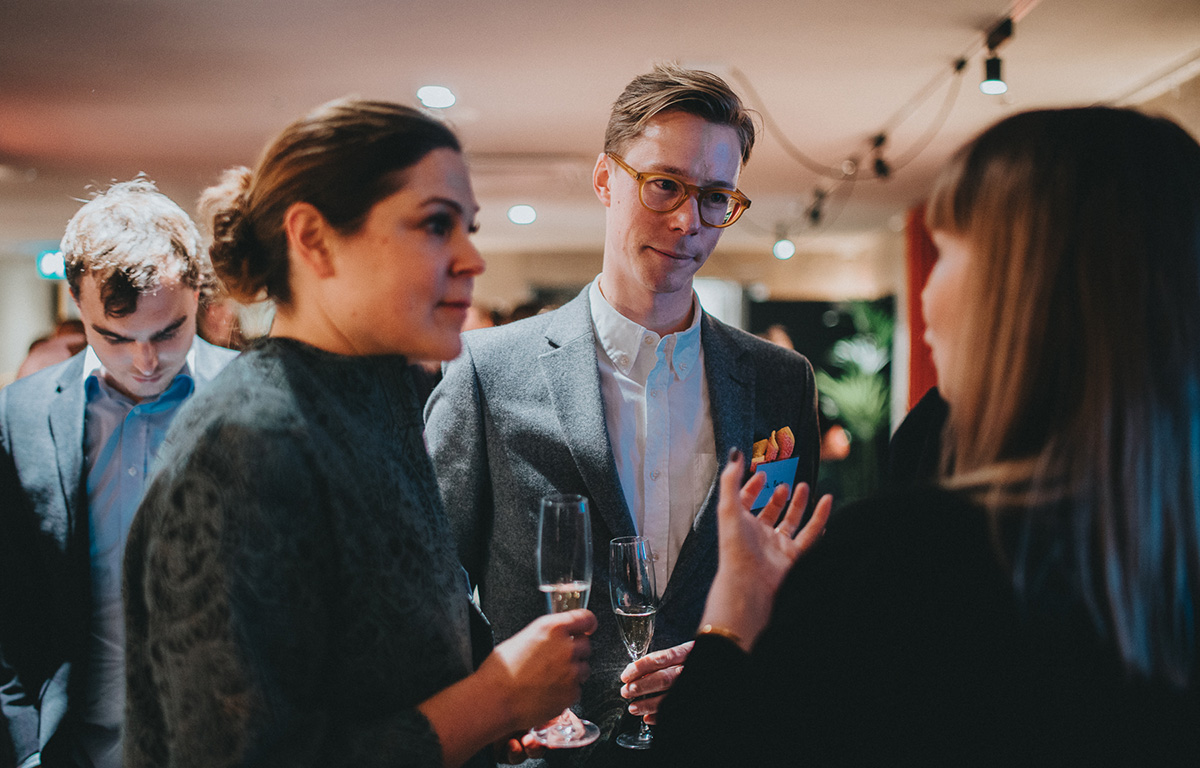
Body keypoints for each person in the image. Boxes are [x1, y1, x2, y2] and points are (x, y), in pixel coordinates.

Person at [652, 107, 1200, 766]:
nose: (928, 296)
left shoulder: (907, 562)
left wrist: (733, 617)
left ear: (1020, 291)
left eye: (948, 251)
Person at [121, 98, 596, 768]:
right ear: (313, 239)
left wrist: (483, 716)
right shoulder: (247, 443)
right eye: (436, 225)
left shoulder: (378, 393)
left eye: (467, 228)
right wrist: (491, 701)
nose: (472, 259)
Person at [424, 64, 820, 764]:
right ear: (606, 179)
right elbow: (433, 581)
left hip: (721, 744)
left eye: (715, 197)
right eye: (664, 184)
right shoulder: (488, 369)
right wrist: (496, 703)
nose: (688, 222)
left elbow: (800, 585)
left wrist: (726, 661)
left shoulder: (779, 380)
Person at [0, 178, 238, 768]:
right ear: (75, 303)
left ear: (198, 293)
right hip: (76, 748)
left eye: (168, 331)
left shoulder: (260, 398)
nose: (145, 361)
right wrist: (25, 747)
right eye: (114, 337)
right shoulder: (19, 417)